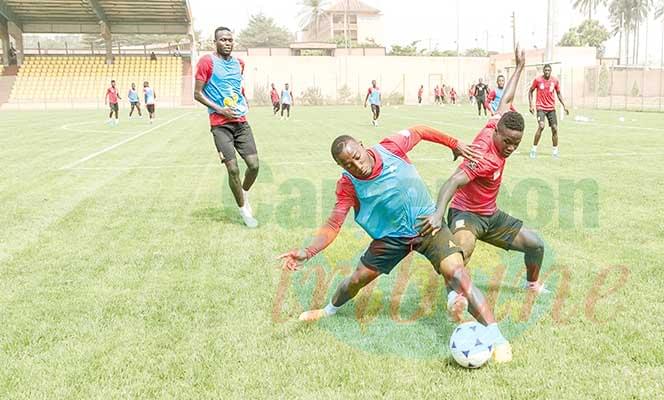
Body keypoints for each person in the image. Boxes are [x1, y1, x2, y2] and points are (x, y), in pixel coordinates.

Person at [276, 126, 514, 363]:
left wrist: (454, 143)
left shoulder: (391, 147)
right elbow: (333, 224)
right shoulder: (347, 185)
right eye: (348, 164)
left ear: (361, 144)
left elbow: (420, 131)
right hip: (390, 238)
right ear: (341, 166)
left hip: (427, 224)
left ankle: (498, 338)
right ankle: (328, 310)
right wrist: (308, 251)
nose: (357, 165)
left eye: (357, 157)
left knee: (457, 272)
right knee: (356, 280)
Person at [422, 47, 549, 307]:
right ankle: (453, 298)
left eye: (516, 143)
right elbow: (453, 181)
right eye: (507, 142)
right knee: (461, 251)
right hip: (465, 215)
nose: (511, 148)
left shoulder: (498, 121)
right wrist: (437, 214)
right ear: (497, 134)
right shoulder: (483, 155)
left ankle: (532, 285)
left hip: (490, 214)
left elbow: (506, 98)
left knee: (535, 244)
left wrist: (520, 67)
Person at [194, 26, 260, 228]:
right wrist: (220, 110)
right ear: (215, 42)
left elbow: (237, 88)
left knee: (254, 166)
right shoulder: (207, 61)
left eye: (230, 40)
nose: (227, 43)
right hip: (220, 124)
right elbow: (197, 93)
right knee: (233, 169)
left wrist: (243, 103)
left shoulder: (239, 63)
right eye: (223, 40)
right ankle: (243, 210)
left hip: (241, 122)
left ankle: (243, 193)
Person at [528, 64, 569, 159]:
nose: (547, 72)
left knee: (554, 128)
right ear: (543, 71)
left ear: (550, 71)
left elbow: (558, 93)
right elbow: (530, 91)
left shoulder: (555, 81)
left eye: (548, 70)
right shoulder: (538, 80)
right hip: (540, 107)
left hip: (551, 108)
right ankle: (533, 150)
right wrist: (531, 105)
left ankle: (555, 152)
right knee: (541, 126)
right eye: (545, 70)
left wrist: (564, 106)